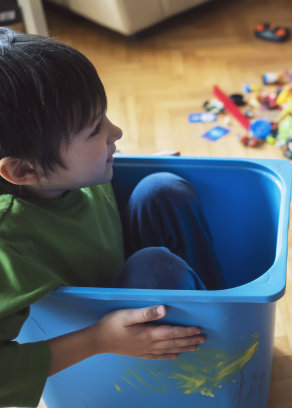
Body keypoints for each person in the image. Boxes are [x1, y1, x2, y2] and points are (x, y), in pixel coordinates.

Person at [0, 27, 223, 407]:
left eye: (104, 118)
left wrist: (126, 159)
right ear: (23, 171)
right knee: (154, 265)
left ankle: (220, 313)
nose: (116, 131)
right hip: (100, 347)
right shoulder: (9, 245)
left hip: (117, 273)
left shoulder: (57, 175)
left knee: (162, 188)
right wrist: (98, 340)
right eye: (94, 130)